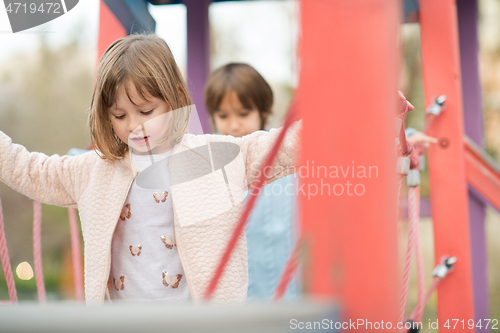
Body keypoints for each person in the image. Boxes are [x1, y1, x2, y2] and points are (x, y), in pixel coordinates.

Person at [0, 34, 301, 304]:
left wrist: (332, 116)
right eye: (119, 115)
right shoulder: (93, 170)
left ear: (176, 100)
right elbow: (30, 170)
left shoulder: (210, 157)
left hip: (197, 323)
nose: (134, 125)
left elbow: (280, 147)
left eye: (146, 111)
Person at [205, 63, 300, 300]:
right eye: (223, 115)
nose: (234, 124)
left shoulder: (284, 158)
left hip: (284, 288)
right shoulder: (208, 162)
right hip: (234, 296)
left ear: (263, 112)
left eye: (243, 113)